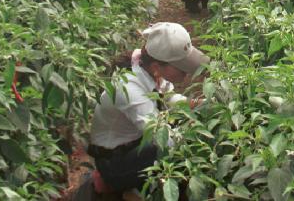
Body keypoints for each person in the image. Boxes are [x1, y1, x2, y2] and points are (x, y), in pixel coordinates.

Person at [88, 22, 208, 196]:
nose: (187, 73)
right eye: (182, 68)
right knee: (181, 149)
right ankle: (121, 186)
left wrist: (199, 103)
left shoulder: (147, 67)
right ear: (157, 67)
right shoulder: (129, 88)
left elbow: (168, 98)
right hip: (114, 160)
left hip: (135, 142)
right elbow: (162, 140)